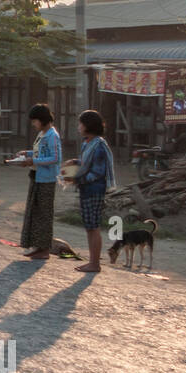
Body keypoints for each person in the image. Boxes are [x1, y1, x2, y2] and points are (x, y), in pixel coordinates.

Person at [64, 109, 116, 273]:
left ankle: (95, 263)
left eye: (81, 123)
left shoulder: (99, 145)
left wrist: (76, 179)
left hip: (94, 190)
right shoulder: (88, 143)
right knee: (89, 226)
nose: (78, 127)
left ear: (88, 126)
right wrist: (76, 162)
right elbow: (88, 163)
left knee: (93, 227)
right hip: (87, 189)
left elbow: (97, 173)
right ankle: (93, 262)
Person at [15, 104, 61, 260]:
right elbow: (40, 153)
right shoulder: (43, 134)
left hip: (46, 179)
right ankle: (37, 246)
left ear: (42, 120)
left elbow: (55, 158)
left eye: (35, 121)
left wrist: (32, 160)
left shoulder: (52, 135)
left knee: (44, 214)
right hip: (36, 176)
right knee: (35, 212)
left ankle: (44, 249)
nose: (33, 124)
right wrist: (27, 153)